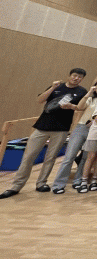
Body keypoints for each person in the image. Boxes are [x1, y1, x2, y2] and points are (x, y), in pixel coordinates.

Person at [1, 68, 88, 199]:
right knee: (28, 156)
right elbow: (40, 100)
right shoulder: (57, 86)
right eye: (75, 75)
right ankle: (16, 186)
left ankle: (41, 183)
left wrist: (71, 106)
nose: (76, 78)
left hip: (61, 129)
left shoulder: (82, 91)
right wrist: (52, 88)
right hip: (42, 127)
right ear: (69, 76)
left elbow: (81, 107)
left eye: (80, 77)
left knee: (50, 158)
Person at [51, 80, 97, 194]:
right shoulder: (90, 98)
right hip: (81, 128)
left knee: (86, 158)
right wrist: (89, 92)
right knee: (69, 156)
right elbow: (80, 107)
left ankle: (78, 180)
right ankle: (58, 184)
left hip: (95, 131)